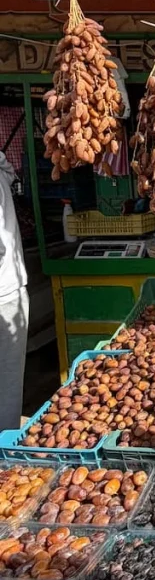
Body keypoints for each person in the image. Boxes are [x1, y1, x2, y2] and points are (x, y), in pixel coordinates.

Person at [0, 151, 27, 430]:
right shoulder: (3, 172)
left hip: (5, 295)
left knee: (6, 384)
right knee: (7, 384)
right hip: (9, 288)